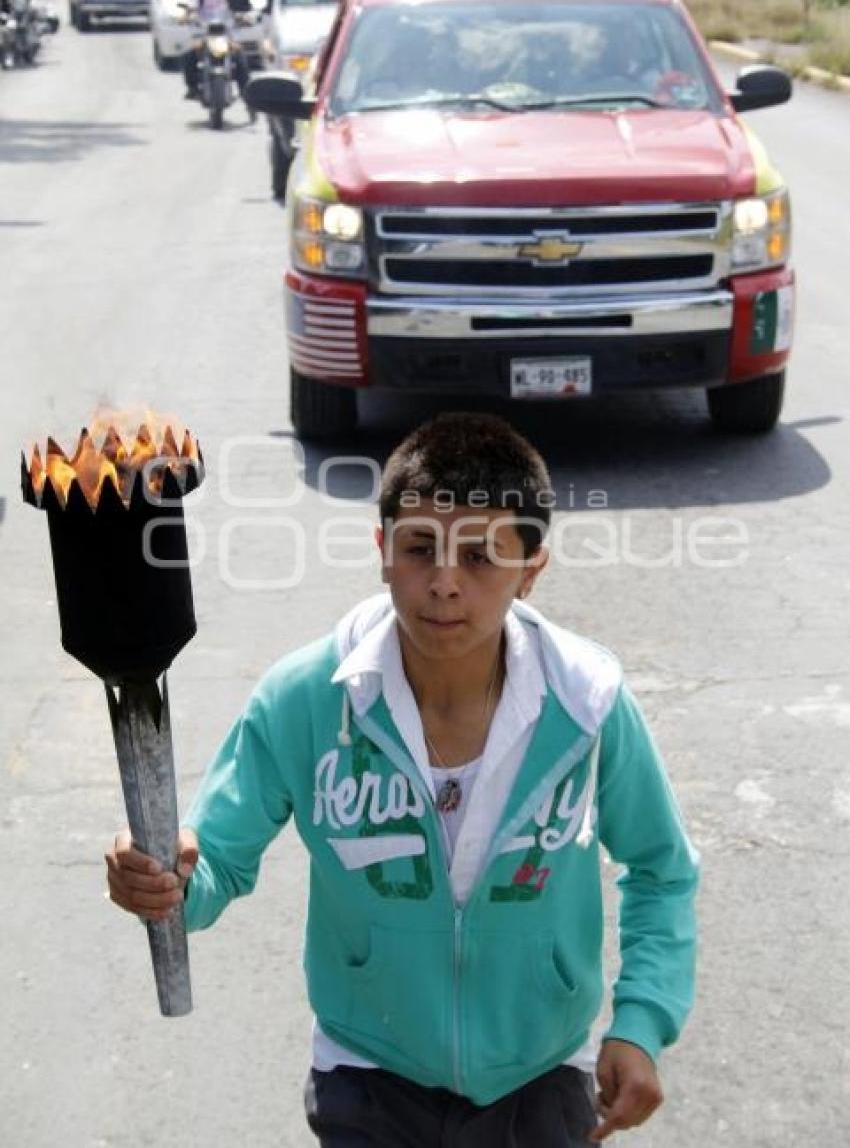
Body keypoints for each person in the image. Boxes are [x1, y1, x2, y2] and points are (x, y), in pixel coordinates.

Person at [105, 412, 700, 1147]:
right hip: (367, 1069)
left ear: (532, 565)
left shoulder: (588, 706)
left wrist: (641, 1021)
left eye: (482, 555)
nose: (445, 583)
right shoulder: (306, 699)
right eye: (421, 548)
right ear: (383, 550)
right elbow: (214, 862)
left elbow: (661, 867)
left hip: (541, 1072)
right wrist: (165, 876)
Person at [182, 0, 248, 102]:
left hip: (225, 36)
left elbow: (235, 11)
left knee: (240, 56)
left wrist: (243, 19)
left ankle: (245, 90)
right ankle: (192, 88)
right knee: (188, 56)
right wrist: (186, 16)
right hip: (206, 36)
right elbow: (191, 9)